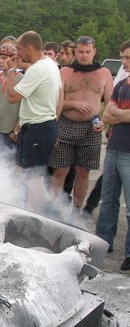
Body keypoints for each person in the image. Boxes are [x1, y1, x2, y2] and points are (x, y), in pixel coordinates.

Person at [49, 36, 113, 211]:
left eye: (87, 52)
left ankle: (76, 210)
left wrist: (105, 123)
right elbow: (55, 102)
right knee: (60, 170)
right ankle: (52, 209)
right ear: (75, 52)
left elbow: (110, 103)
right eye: (81, 52)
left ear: (94, 51)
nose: (84, 56)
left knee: (83, 171)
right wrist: (53, 127)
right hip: (65, 124)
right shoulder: (65, 72)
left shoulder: (104, 73)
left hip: (91, 128)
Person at [6, 31, 62, 209]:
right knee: (27, 174)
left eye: (20, 49)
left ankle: (45, 219)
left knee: (34, 180)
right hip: (39, 125)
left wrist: (11, 72)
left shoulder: (38, 69)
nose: (18, 54)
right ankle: (30, 210)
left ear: (29, 48)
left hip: (38, 128)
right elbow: (61, 93)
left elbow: (12, 97)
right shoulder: (49, 64)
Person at [95, 40, 130, 271]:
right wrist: (121, 113)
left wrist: (118, 113)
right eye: (123, 58)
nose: (124, 63)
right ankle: (102, 242)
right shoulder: (122, 84)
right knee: (107, 200)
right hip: (114, 147)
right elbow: (106, 114)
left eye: (127, 58)